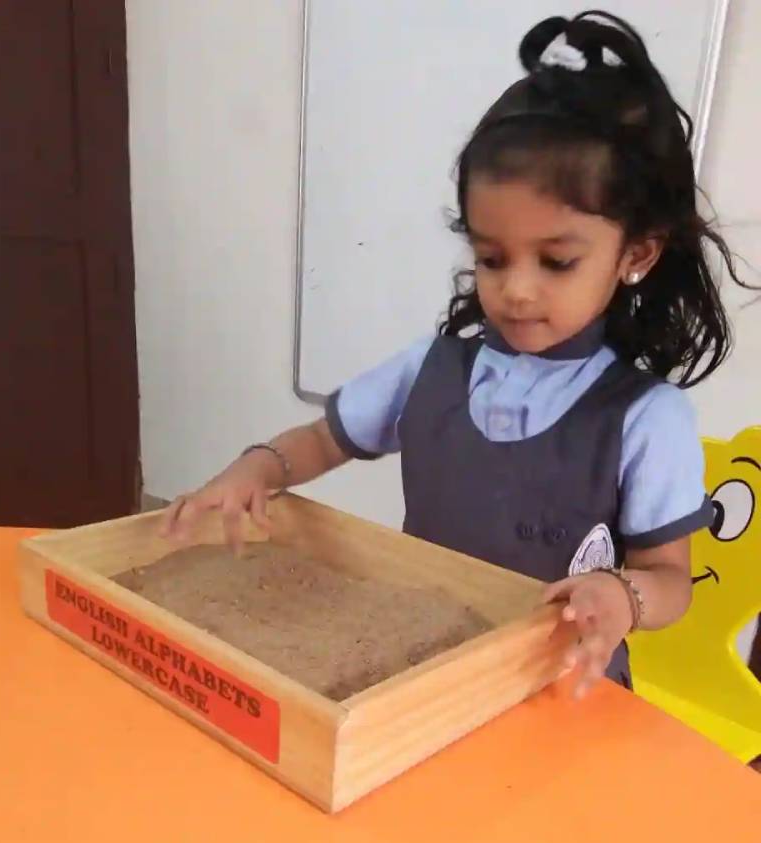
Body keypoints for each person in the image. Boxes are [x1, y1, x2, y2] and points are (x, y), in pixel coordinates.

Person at [162, 11, 756, 696]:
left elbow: (670, 578)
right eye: (491, 258)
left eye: (557, 261)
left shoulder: (648, 418)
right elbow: (323, 439)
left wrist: (624, 595)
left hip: (562, 688)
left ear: (637, 254)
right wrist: (257, 468)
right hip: (427, 669)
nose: (517, 290)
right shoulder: (431, 369)